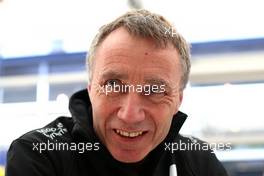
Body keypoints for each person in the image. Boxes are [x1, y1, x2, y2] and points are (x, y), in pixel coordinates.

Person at [6, 9, 228, 176]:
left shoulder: (198, 162)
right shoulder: (41, 154)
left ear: (178, 99)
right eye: (113, 85)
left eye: (155, 90)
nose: (130, 115)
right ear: (91, 89)